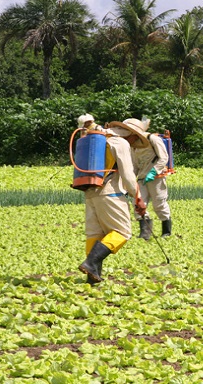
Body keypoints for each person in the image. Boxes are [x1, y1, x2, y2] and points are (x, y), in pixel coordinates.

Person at [78, 119, 149, 284]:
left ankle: (92, 277)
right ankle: (90, 263)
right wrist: (138, 198)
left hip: (90, 191)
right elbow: (128, 176)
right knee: (123, 232)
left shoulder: (99, 139)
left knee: (95, 234)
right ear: (131, 134)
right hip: (110, 193)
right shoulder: (119, 142)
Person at [129, 118, 173, 239]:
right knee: (138, 204)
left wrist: (153, 172)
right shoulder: (133, 145)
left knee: (159, 203)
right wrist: (131, 178)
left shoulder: (153, 139)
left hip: (156, 176)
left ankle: (166, 231)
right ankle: (145, 232)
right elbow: (134, 164)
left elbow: (164, 157)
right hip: (142, 177)